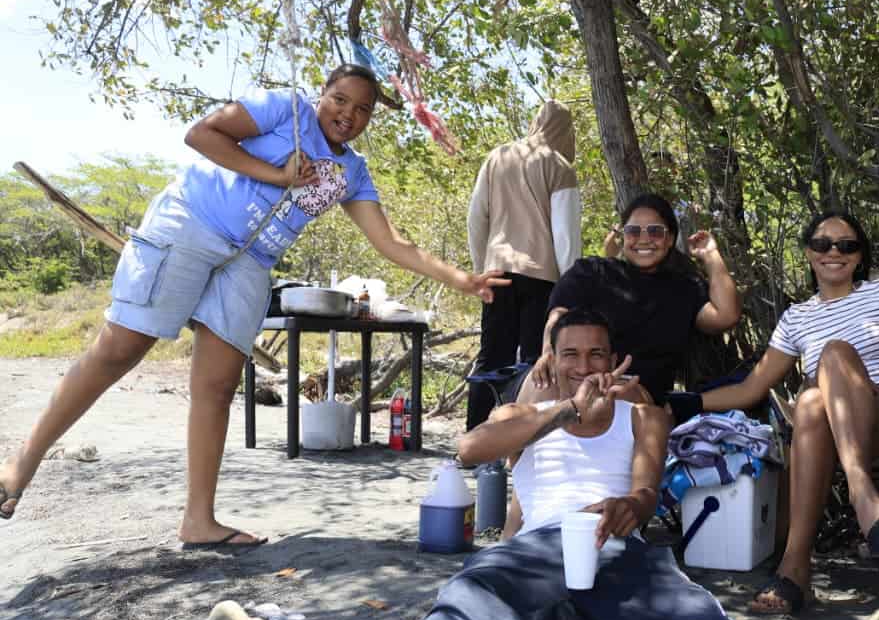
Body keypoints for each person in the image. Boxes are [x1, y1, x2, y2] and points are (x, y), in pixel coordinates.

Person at [205, 309, 879, 620]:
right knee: (472, 606)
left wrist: (631, 503)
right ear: (552, 358)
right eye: (573, 352)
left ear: (615, 357)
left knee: (681, 610)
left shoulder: (640, 409)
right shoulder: (529, 406)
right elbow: (469, 450)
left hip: (615, 549)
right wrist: (553, 410)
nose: (588, 365)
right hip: (536, 552)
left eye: (598, 353)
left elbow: (649, 483)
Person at [0, 64, 507, 546]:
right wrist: (276, 173)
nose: (348, 114)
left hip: (251, 259)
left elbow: (391, 241)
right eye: (339, 100)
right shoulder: (282, 108)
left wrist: (462, 279)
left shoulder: (352, 172)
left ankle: (198, 520)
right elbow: (201, 134)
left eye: (363, 109)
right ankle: (21, 464)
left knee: (217, 385)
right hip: (192, 222)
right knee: (120, 349)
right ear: (320, 95)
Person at [668, 212, 879, 616]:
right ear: (808, 253)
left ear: (860, 256)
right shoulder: (797, 317)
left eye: (847, 245)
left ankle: (852, 502)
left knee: (835, 352)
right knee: (808, 402)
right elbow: (752, 388)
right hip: (826, 431)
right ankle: (799, 566)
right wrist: (683, 403)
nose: (834, 253)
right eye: (823, 244)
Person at [523, 192, 741, 406]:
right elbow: (559, 314)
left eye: (655, 231)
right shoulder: (592, 272)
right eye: (633, 231)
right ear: (623, 236)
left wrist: (710, 255)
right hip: (575, 380)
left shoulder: (684, 289)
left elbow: (726, 316)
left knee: (619, 396)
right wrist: (548, 351)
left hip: (635, 394)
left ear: (670, 239)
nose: (644, 239)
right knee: (542, 385)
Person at [465, 100, 582, 429]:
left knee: (490, 359)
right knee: (535, 364)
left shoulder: (498, 156)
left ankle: (474, 440)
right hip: (543, 279)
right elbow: (565, 234)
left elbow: (476, 219)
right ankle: (526, 440)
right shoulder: (560, 166)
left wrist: (480, 273)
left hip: (497, 272)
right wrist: (570, 289)